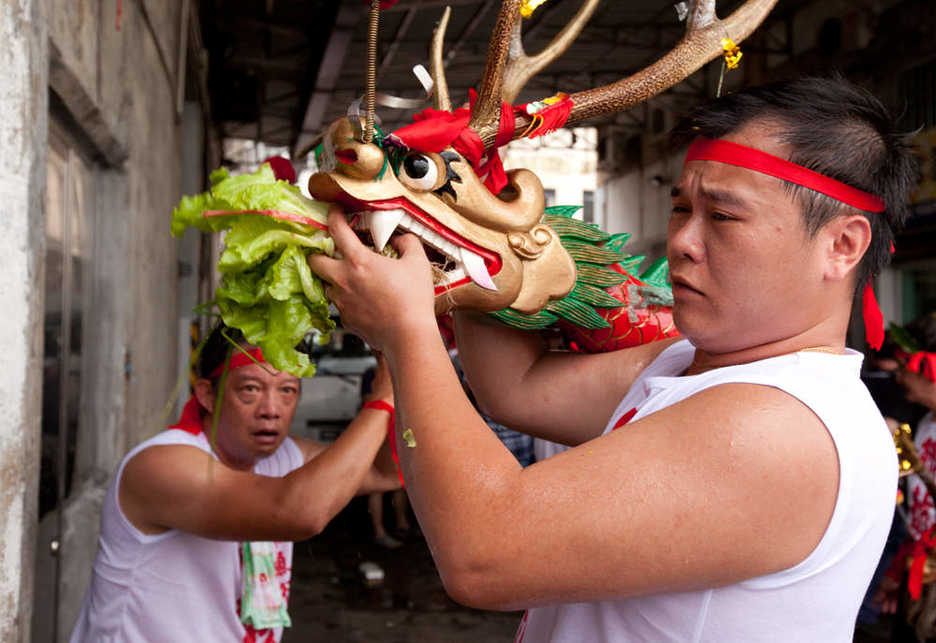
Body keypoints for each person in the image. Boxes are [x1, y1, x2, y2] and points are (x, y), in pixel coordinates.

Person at [309, 75, 918, 641]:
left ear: (841, 245)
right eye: (682, 208)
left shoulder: (782, 426)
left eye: (724, 217)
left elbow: (485, 553)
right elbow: (517, 387)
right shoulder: (690, 362)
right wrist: (459, 238)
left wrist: (407, 332)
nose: (682, 241)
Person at [69, 323, 400, 642]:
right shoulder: (161, 466)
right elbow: (299, 513)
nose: (271, 410)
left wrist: (398, 363)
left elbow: (386, 471)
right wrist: (380, 403)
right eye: (251, 389)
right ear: (207, 395)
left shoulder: (285, 457)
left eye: (287, 390)